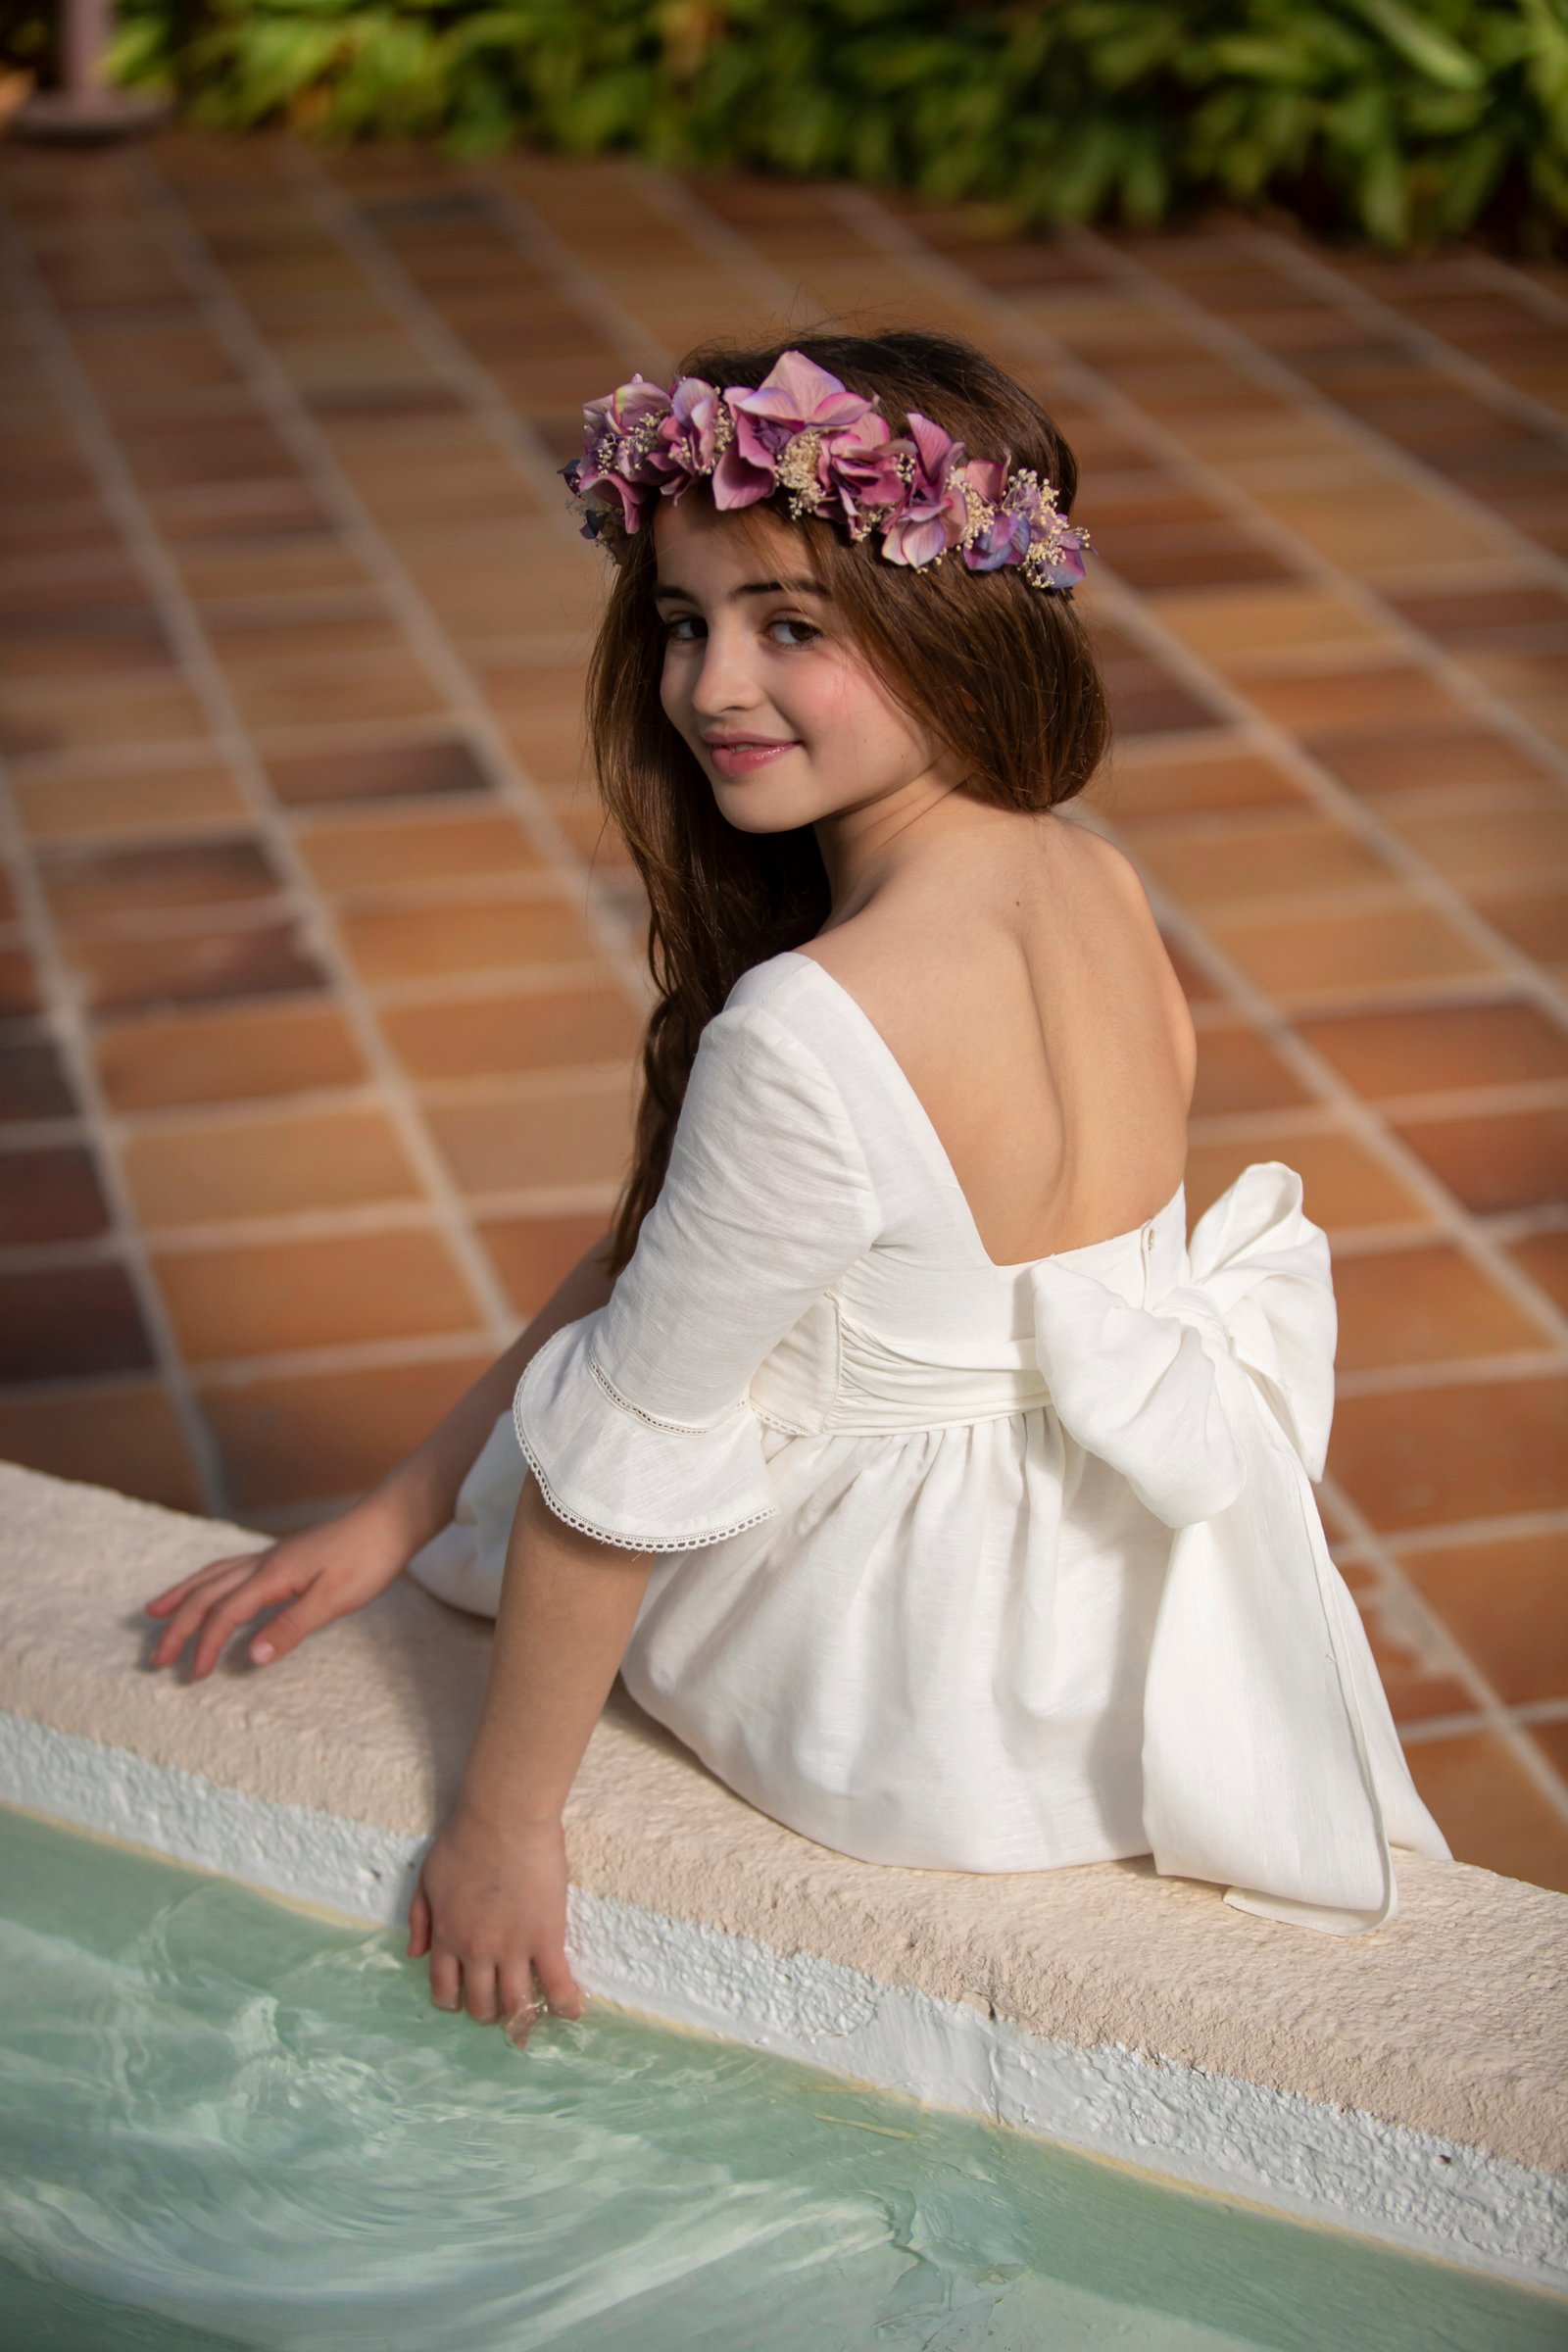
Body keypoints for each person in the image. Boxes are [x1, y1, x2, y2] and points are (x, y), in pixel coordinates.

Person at [143, 329, 1450, 2039]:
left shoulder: (811, 1025)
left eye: (791, 627)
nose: (709, 689)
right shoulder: (1092, 879)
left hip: (914, 1688)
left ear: (953, 616)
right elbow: (669, 1260)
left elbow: (613, 1471)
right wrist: (396, 1511)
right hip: (1099, 1632)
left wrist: (502, 1825)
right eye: (683, 622)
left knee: (613, 1459)